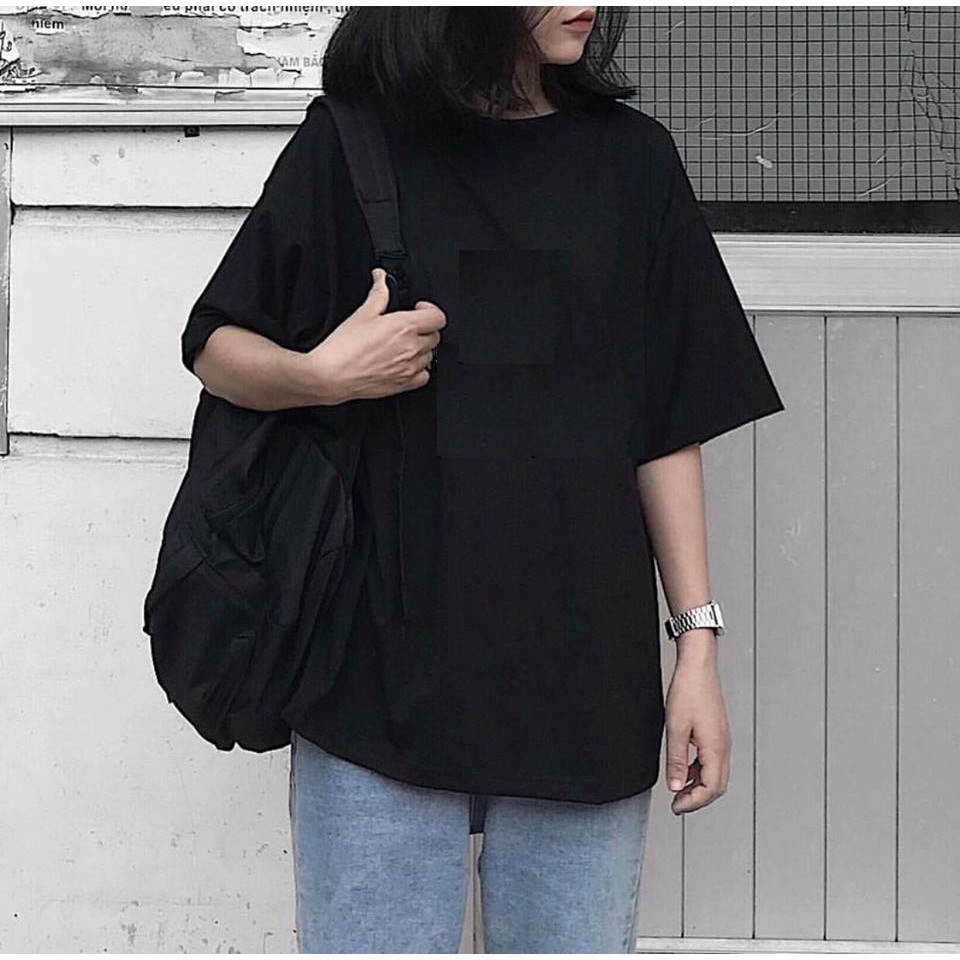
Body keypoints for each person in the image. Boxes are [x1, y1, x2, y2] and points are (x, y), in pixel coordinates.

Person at [182, 7, 785, 953]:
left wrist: (697, 652)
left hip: (581, 683)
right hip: (372, 680)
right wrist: (323, 375)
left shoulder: (631, 162)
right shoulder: (353, 144)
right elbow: (215, 345)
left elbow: (665, 424)